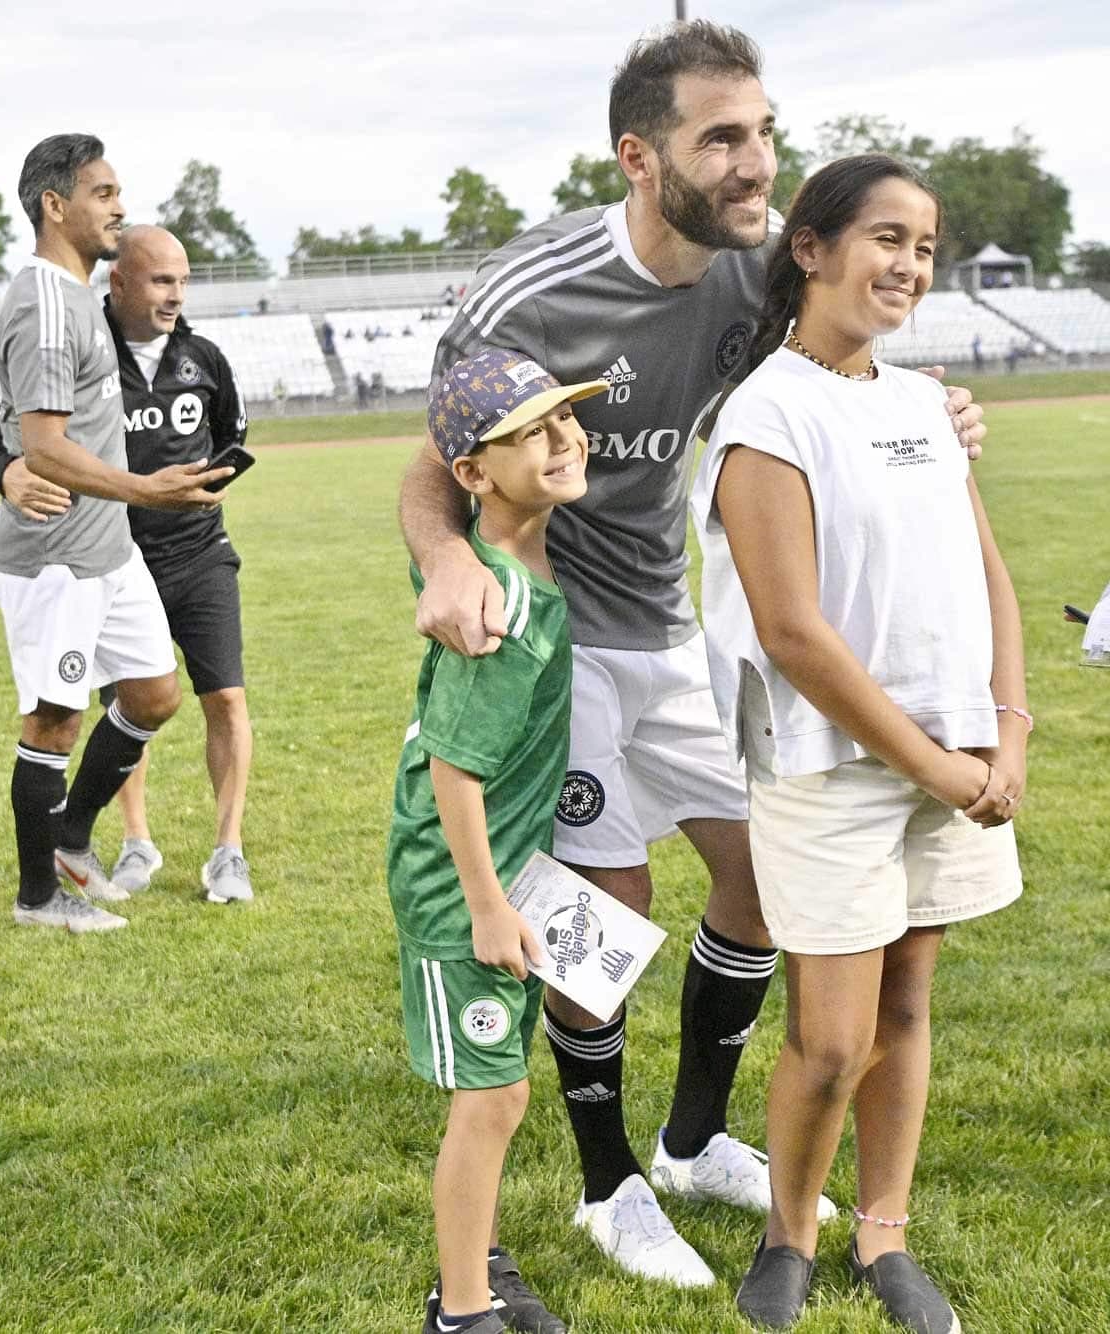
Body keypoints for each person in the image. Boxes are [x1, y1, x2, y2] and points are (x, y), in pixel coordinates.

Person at [401, 21, 988, 1285]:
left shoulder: (755, 270)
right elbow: (427, 471)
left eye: (763, 131)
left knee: (761, 886)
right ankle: (607, 1180)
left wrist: (925, 403)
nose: (752, 161)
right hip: (562, 644)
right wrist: (450, 563)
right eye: (719, 137)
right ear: (636, 155)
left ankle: (687, 1134)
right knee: (606, 916)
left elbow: (834, 362)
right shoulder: (530, 294)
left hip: (677, 626)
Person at [698, 155, 1026, 1333]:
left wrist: (1007, 723)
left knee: (903, 1011)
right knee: (829, 1038)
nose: (907, 265)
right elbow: (790, 628)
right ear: (809, 249)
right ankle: (790, 1229)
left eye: (925, 247)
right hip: (830, 766)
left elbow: (982, 568)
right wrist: (934, 762)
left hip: (951, 759)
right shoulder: (766, 412)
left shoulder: (917, 402)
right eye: (885, 237)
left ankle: (881, 1228)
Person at [392, 349, 603, 1334]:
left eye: (565, 419)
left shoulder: (494, 552)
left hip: (511, 870)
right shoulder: (496, 608)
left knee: (502, 1083)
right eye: (531, 431)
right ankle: (463, 1308)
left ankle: (467, 1259)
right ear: (471, 473)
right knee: (494, 1095)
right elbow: (453, 768)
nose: (563, 437)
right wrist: (484, 903)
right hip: (460, 882)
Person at [0, 133, 227, 932]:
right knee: (55, 717)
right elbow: (45, 444)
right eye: (102, 192)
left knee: (155, 693)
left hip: (106, 550)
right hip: (55, 556)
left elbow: (14, 422)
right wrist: (144, 489)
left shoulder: (77, 296)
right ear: (55, 206)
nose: (118, 205)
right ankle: (38, 898)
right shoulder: (47, 303)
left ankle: (71, 840)